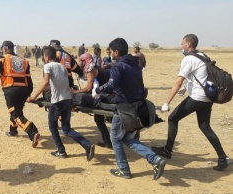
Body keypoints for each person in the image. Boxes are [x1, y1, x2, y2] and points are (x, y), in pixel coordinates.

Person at [152, 34, 231, 171]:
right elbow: (201, 76)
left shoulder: (189, 59)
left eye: (182, 43)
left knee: (173, 118)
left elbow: (178, 81)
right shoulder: (202, 55)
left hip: (198, 97)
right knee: (205, 126)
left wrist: (167, 102)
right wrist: (186, 88)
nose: (181, 46)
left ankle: (167, 150)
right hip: (207, 97)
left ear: (188, 44)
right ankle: (223, 158)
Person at [93, 38, 166, 180]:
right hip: (136, 107)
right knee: (126, 138)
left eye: (111, 51)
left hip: (124, 109)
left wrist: (98, 89)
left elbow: (111, 85)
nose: (111, 53)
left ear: (116, 52)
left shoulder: (118, 67)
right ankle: (155, 159)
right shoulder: (135, 66)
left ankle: (124, 169)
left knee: (115, 138)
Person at [27, 46, 95, 161]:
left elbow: (45, 82)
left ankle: (61, 150)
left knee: (52, 126)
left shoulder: (48, 66)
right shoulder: (63, 66)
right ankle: (87, 144)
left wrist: (34, 97)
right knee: (66, 128)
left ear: (46, 56)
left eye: (44, 56)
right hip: (68, 99)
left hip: (57, 101)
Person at [70, 53, 112, 148]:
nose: (78, 62)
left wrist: (75, 91)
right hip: (104, 93)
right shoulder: (94, 66)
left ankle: (109, 141)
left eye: (80, 60)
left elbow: (89, 88)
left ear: (84, 61)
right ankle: (108, 142)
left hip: (104, 96)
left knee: (99, 119)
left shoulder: (90, 70)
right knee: (98, 119)